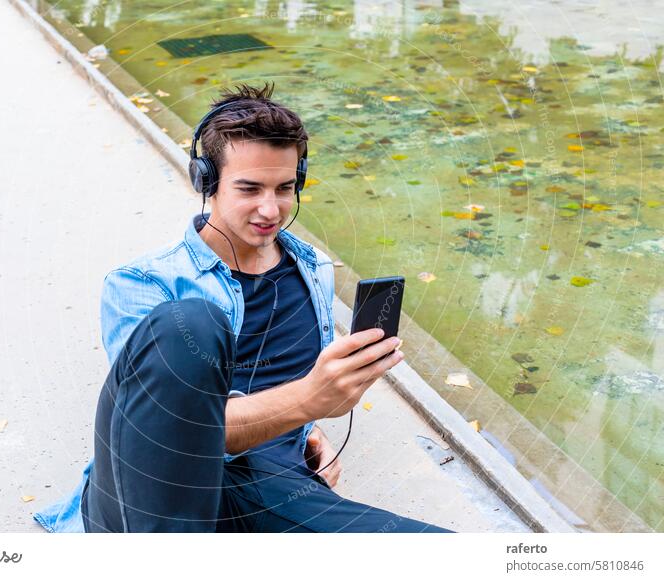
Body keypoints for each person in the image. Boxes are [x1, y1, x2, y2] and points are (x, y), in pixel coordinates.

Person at [33, 82, 453, 533]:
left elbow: (282, 383)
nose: (270, 209)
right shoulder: (142, 284)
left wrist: (307, 428)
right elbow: (166, 433)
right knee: (191, 320)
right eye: (249, 188)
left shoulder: (311, 267)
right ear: (206, 182)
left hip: (272, 487)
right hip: (156, 495)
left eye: (285, 188)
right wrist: (309, 399)